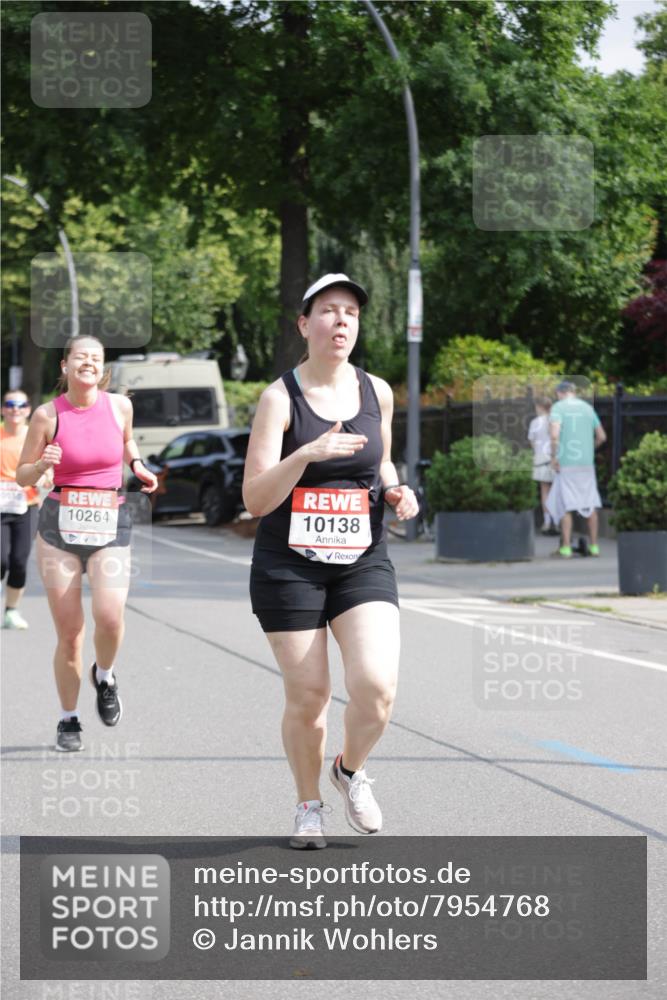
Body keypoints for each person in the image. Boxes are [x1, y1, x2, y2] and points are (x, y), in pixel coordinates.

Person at [243, 273, 419, 849]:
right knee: (311, 694)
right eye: (328, 311)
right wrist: (307, 452)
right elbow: (255, 499)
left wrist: (396, 490)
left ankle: (348, 770)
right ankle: (308, 805)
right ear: (304, 323)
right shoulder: (280, 398)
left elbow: (382, 462)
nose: (341, 321)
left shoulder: (378, 392)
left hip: (361, 557)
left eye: (351, 313)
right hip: (289, 565)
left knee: (376, 686)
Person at [16, 335, 158, 752]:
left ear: (103, 368)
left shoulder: (119, 406)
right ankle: (68, 717)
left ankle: (106, 674)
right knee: (71, 632)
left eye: (96, 358)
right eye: (81, 357)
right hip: (59, 524)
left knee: (110, 617)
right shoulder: (46, 415)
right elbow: (23, 475)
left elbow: (128, 440)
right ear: (65, 366)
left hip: (110, 519)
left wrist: (138, 465)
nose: (89, 363)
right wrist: (42, 463)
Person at [1, 389, 49, 628]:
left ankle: (11, 611)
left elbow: (48, 470)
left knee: (19, 561)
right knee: (1, 561)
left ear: (28, 409)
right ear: (3, 409)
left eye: (21, 405)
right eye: (10, 404)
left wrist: (44, 477)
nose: (15, 409)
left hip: (26, 506)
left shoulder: (35, 437)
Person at [546, 380, 607, 558]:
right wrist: (589, 448)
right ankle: (594, 547)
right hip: (587, 464)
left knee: (565, 505)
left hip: (567, 463)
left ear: (560, 393)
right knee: (590, 503)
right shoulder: (588, 409)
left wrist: (554, 457)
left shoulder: (558, 408)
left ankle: (565, 548)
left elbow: (554, 435)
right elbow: (602, 436)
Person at [527, 396, 556, 534]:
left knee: (545, 490)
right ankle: (557, 520)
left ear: (539, 407)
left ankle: (547, 521)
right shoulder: (554, 420)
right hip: (555, 456)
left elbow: (532, 442)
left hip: (541, 457)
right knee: (557, 490)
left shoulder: (535, 422)